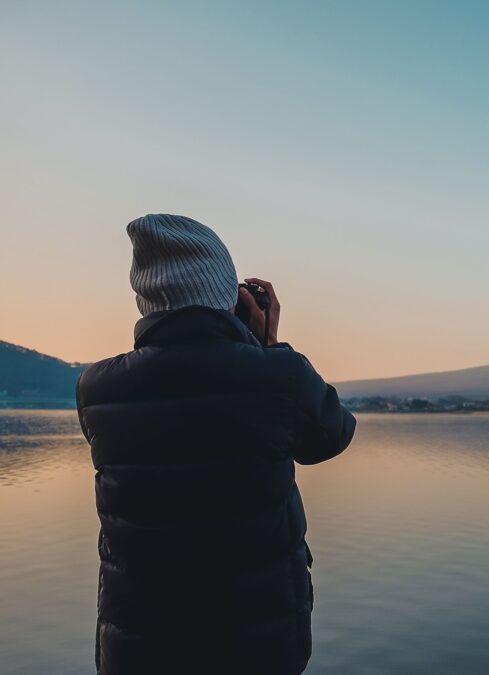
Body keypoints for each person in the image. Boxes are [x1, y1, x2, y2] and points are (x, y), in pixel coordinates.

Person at [76, 214, 356, 675]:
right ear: (227, 294)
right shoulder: (276, 376)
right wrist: (266, 344)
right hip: (255, 641)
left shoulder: (96, 387)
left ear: (146, 298)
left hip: (139, 641)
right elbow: (331, 436)